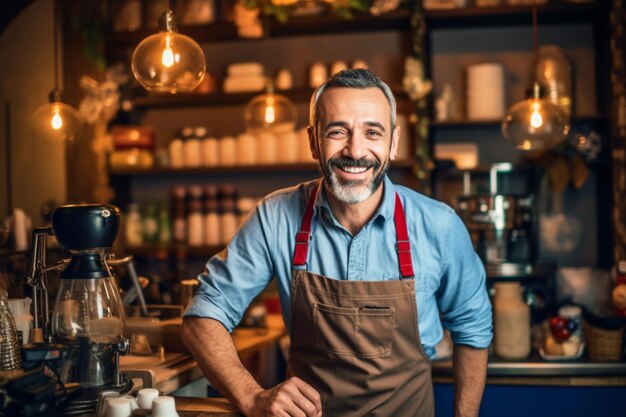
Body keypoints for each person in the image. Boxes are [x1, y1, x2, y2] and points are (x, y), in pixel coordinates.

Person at [182, 68, 492, 417]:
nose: (355, 150)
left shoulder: (440, 225)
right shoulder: (275, 216)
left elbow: (473, 328)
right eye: (337, 131)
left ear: (393, 143)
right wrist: (251, 397)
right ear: (314, 141)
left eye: (372, 132)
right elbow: (203, 315)